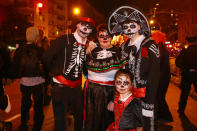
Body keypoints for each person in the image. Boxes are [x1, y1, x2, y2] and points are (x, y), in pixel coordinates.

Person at [108, 6, 160, 131]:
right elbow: (119, 73)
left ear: (139, 26)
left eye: (132, 26)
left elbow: (155, 76)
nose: (129, 30)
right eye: (125, 27)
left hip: (144, 98)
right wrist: (114, 97)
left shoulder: (150, 45)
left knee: (146, 126)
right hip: (126, 97)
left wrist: (149, 104)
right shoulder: (124, 46)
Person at [43, 17, 95, 131]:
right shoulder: (64, 39)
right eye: (83, 25)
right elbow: (47, 58)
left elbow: (85, 68)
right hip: (60, 87)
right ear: (77, 25)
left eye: (89, 27)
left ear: (91, 31)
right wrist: (55, 73)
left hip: (76, 88)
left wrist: (89, 54)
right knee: (60, 122)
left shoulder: (88, 45)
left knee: (80, 117)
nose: (85, 28)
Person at [84, 24, 128, 131]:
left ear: (112, 37)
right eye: (101, 35)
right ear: (97, 37)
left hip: (109, 92)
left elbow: (122, 78)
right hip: (91, 92)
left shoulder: (118, 52)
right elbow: (83, 70)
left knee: (108, 123)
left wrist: (114, 99)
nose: (104, 38)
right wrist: (85, 54)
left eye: (107, 36)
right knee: (92, 123)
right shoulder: (92, 50)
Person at [12, 26, 45, 131]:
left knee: (25, 104)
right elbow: (46, 65)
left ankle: (24, 124)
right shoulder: (40, 50)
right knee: (38, 105)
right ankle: (37, 126)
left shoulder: (19, 50)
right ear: (36, 36)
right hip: (38, 82)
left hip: (24, 81)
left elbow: (15, 65)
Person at [151, 30, 173, 122]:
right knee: (159, 96)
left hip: (161, 77)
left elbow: (157, 62)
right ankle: (161, 115)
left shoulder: (158, 47)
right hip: (163, 76)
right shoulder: (161, 47)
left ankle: (167, 116)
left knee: (159, 97)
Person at [175, 36, 197, 114]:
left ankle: (181, 109)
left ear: (188, 41)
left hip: (186, 74)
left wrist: (184, 67)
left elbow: (177, 62)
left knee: (184, 93)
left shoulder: (185, 51)